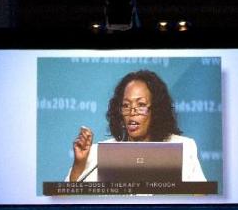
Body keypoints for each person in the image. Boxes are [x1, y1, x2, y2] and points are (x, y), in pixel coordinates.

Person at [66, 70, 206, 183]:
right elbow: (64, 202)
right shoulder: (99, 154)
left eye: (141, 105)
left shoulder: (183, 148)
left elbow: (201, 200)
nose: (132, 113)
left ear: (156, 110)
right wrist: (79, 165)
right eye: (126, 106)